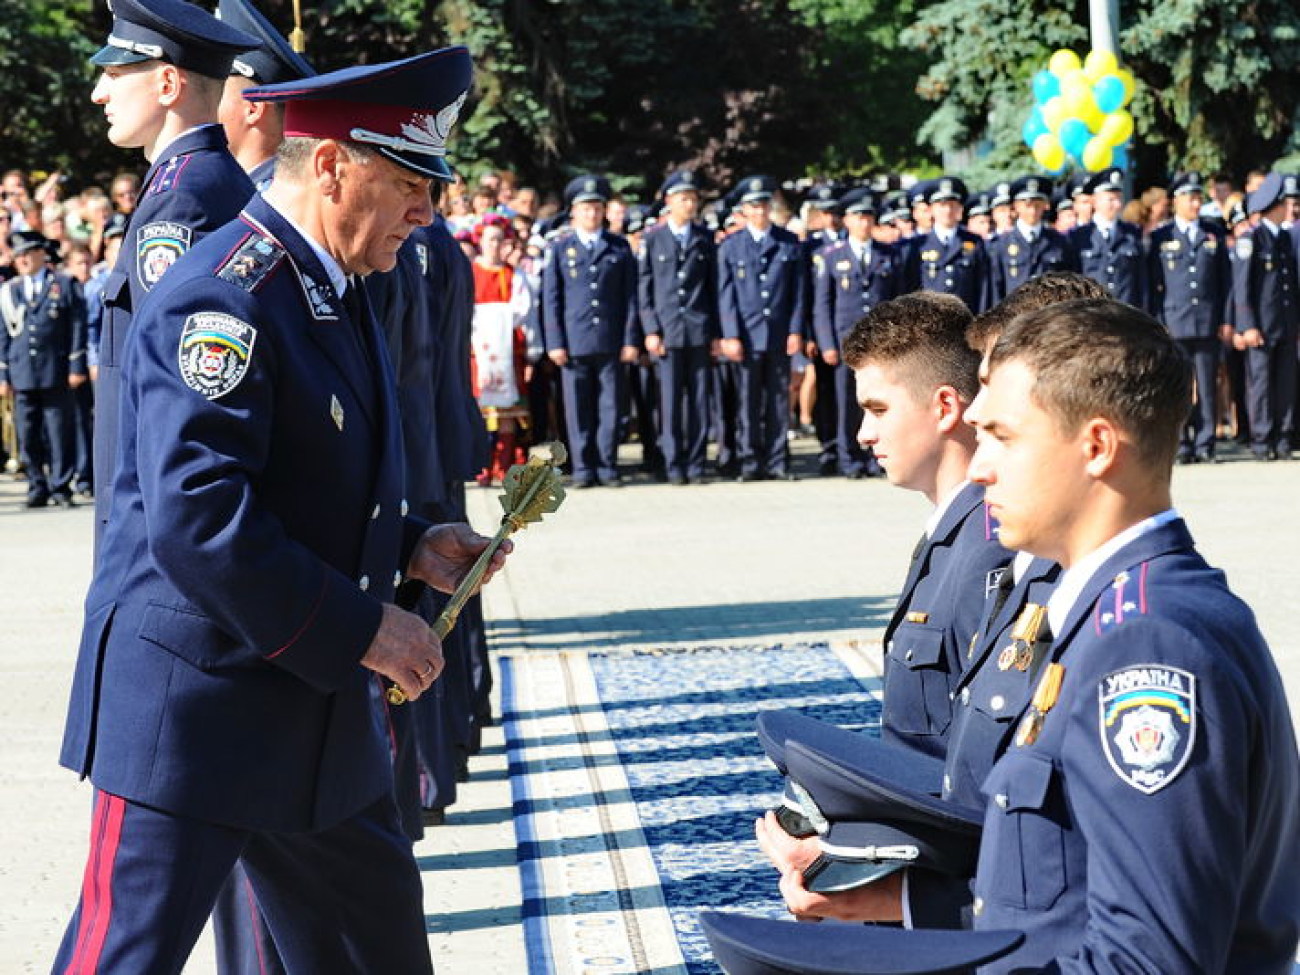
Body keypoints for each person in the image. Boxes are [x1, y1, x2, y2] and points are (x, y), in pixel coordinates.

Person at [51, 46, 509, 974]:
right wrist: (367, 629)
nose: (429, 209)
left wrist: (416, 546)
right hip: (198, 708)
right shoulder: (227, 295)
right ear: (334, 164)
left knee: (375, 950)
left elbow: (304, 480)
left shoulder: (331, 288)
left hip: (313, 717)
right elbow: (202, 521)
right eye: (411, 179)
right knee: (124, 958)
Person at [87, 0, 259, 544]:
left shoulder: (183, 198)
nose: (99, 93)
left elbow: (174, 384)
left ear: (167, 84)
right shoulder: (199, 181)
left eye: (114, 74)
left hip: (151, 505)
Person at [542, 174, 639, 487]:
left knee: (611, 406)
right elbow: (551, 299)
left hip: (610, 340)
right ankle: (583, 467)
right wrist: (555, 342)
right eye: (585, 208)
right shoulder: (560, 248)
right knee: (578, 408)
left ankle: (607, 465)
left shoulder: (619, 247)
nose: (592, 214)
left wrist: (629, 339)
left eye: (597, 208)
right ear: (573, 212)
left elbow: (631, 298)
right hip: (574, 341)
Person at [717, 175, 807, 481]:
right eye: (753, 207)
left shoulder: (789, 242)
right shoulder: (731, 246)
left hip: (780, 334)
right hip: (746, 336)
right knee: (748, 402)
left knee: (778, 401)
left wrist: (796, 330)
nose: (759, 212)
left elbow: (798, 292)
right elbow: (725, 295)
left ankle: (777, 461)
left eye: (764, 205)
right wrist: (730, 334)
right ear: (743, 210)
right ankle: (749, 461)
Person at [811, 187, 901, 478]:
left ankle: (876, 457)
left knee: (878, 403)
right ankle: (848, 457)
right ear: (846, 221)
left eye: (868, 217)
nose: (863, 222)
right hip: (845, 342)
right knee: (846, 401)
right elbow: (822, 305)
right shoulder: (831, 256)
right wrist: (826, 342)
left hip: (881, 344)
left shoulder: (888, 255)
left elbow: (898, 298)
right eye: (857, 217)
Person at [638, 169, 718, 485]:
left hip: (698, 329)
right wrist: (650, 329)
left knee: (698, 400)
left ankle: (696, 463)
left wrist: (716, 333)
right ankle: (674, 464)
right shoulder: (652, 238)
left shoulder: (704, 238)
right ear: (669, 201)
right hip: (667, 331)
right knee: (669, 402)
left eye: (693, 198)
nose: (689, 204)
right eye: (683, 198)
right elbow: (644, 289)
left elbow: (713, 288)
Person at [1147, 171, 1232, 463]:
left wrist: (1225, 319)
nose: (1195, 204)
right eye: (1189, 198)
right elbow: (1154, 285)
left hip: (1207, 320)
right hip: (1174, 321)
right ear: (1176, 201)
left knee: (1207, 385)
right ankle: (1183, 443)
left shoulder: (1213, 233)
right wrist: (1158, 321)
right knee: (1180, 387)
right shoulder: (1161, 236)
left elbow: (1225, 282)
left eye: (1198, 198)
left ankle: (1206, 442)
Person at [0, 230, 88, 507]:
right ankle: (37, 485)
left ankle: (61, 487)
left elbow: (77, 326)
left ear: (42, 254)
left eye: (28, 253)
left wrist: (76, 364)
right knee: (27, 434)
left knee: (59, 431)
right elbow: (2, 334)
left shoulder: (63, 284)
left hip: (56, 369)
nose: (23, 259)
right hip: (22, 371)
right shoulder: (9, 291)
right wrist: (3, 374)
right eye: (19, 255)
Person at [216, 0, 316, 191]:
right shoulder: (240, 192)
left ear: (253, 108)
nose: (209, 103)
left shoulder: (271, 198)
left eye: (219, 91)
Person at [1232, 171, 1297, 460]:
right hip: (1261, 325)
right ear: (1276, 204)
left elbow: (1290, 284)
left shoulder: (1283, 238)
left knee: (1285, 382)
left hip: (1285, 322)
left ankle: (1283, 437)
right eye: (1289, 204)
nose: (1293, 210)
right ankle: (1262, 438)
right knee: (1260, 383)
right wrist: (1247, 324)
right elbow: (1242, 286)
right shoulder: (1252, 237)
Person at [470, 217, 532, 485]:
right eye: (490, 239)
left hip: (507, 349)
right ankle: (482, 467)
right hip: (477, 349)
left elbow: (522, 308)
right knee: (482, 411)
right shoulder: (471, 272)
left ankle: (504, 466)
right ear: (481, 242)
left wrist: (498, 317)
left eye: (499, 239)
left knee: (507, 412)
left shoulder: (512, 274)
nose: (494, 245)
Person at [985, 176, 1078, 306]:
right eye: (1027, 204)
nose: (1033, 210)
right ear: (1016, 206)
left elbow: (1070, 284)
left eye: (1038, 204)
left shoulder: (1059, 242)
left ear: (1045, 206)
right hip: (1015, 318)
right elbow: (996, 290)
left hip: (1050, 317)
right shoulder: (1001, 244)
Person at [906, 177, 988, 313]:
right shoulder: (917, 245)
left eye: (952, 204)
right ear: (931, 209)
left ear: (960, 208)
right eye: (942, 205)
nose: (947, 210)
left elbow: (983, 287)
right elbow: (909, 288)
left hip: (966, 319)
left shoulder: (974, 242)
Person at [1069, 168, 1146, 308]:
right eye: (1110, 199)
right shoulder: (1079, 236)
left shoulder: (1132, 233)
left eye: (1118, 198)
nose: (1117, 204)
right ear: (1095, 200)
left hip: (1126, 314)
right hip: (1092, 314)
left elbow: (1141, 280)